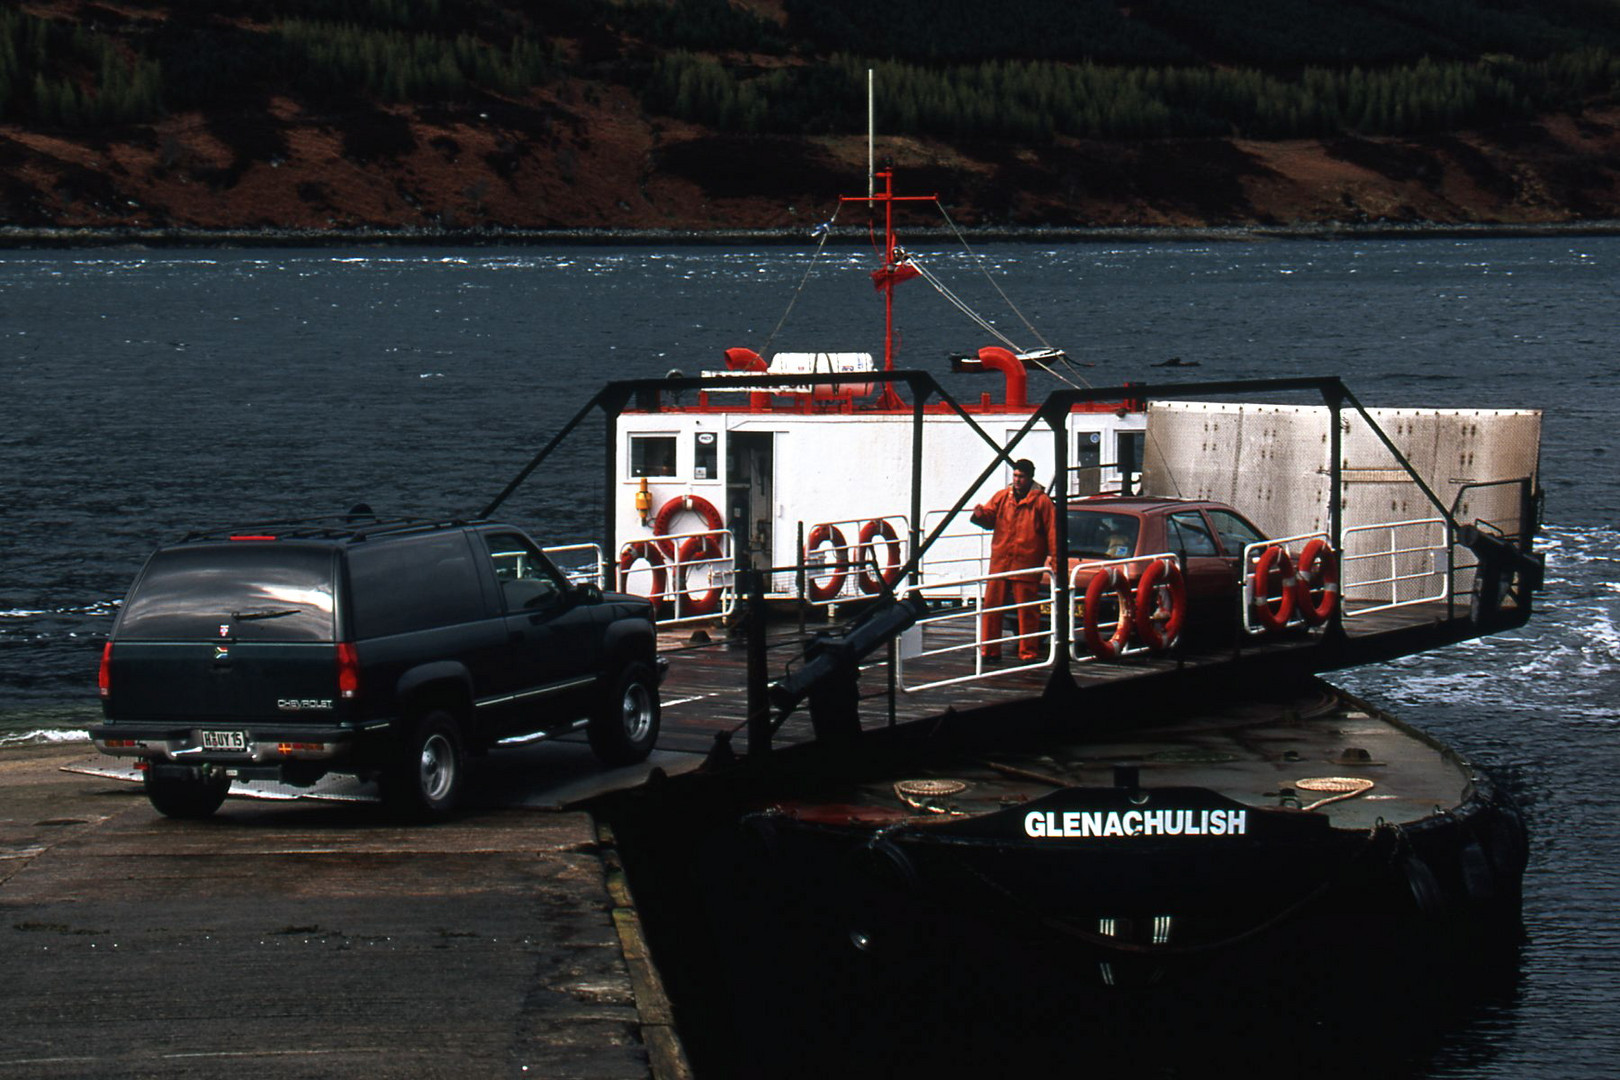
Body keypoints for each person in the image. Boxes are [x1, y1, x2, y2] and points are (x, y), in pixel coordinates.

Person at [970, 458, 1058, 661]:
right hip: (1001, 563)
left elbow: (1052, 533)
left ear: (1030, 478)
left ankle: (1028, 653)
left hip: (1026, 564)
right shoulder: (1002, 497)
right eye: (1015, 476)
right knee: (992, 607)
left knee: (1027, 611)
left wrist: (1055, 560)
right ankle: (989, 651)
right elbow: (990, 519)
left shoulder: (1042, 502)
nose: (1017, 480)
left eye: (1022, 476)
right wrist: (980, 515)